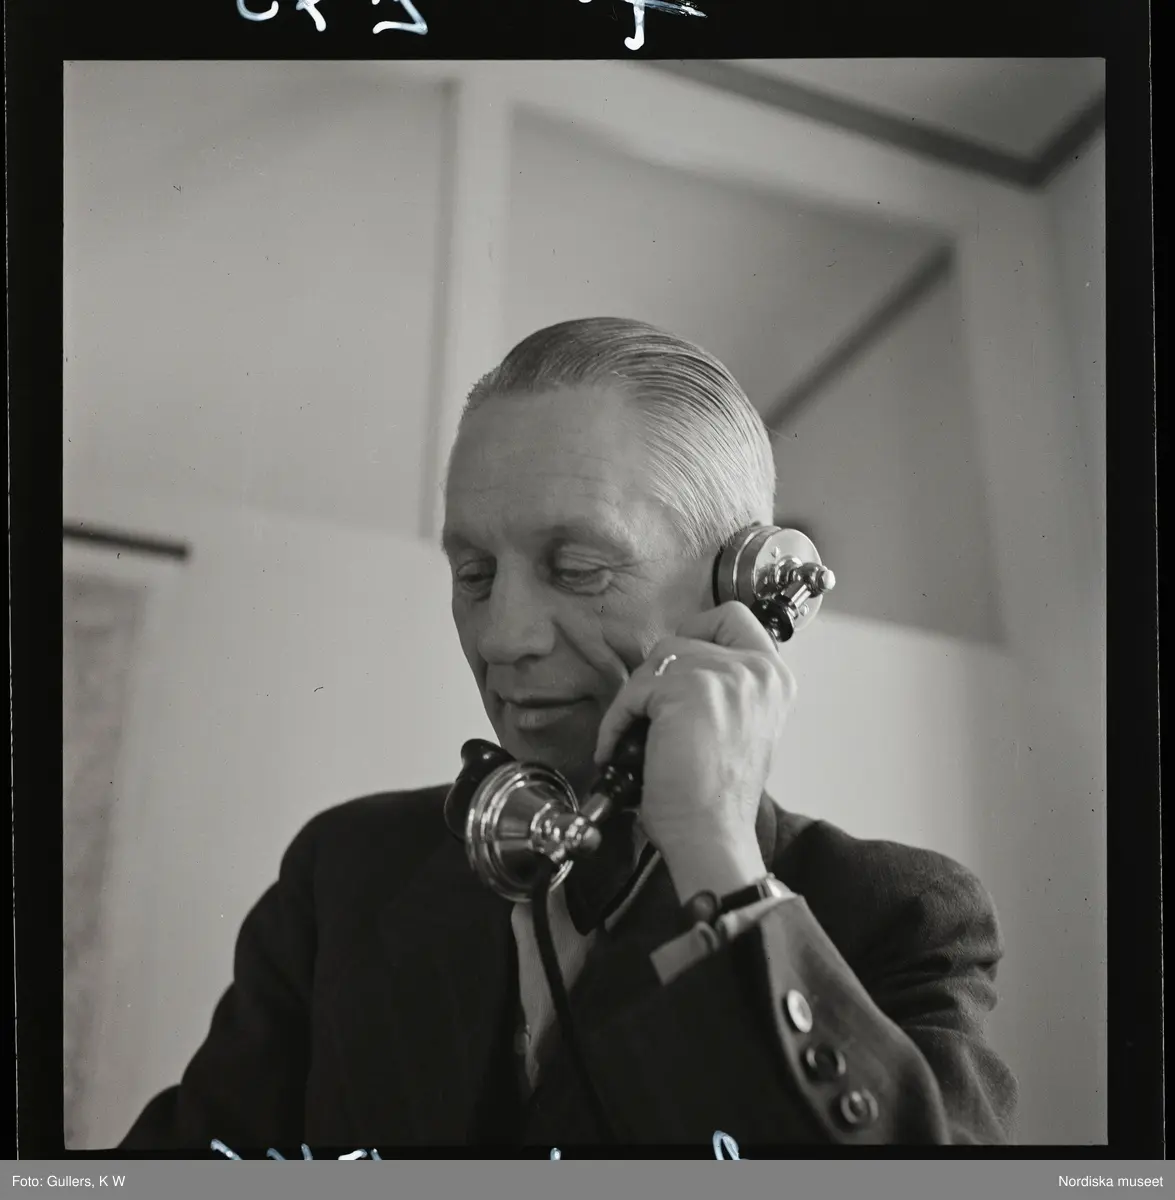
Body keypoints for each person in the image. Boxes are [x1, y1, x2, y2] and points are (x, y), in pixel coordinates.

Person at [121, 317, 1017, 1151]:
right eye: (474, 574)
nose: (501, 636)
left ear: (740, 596)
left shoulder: (898, 918)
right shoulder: (343, 873)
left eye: (578, 567)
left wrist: (722, 872)